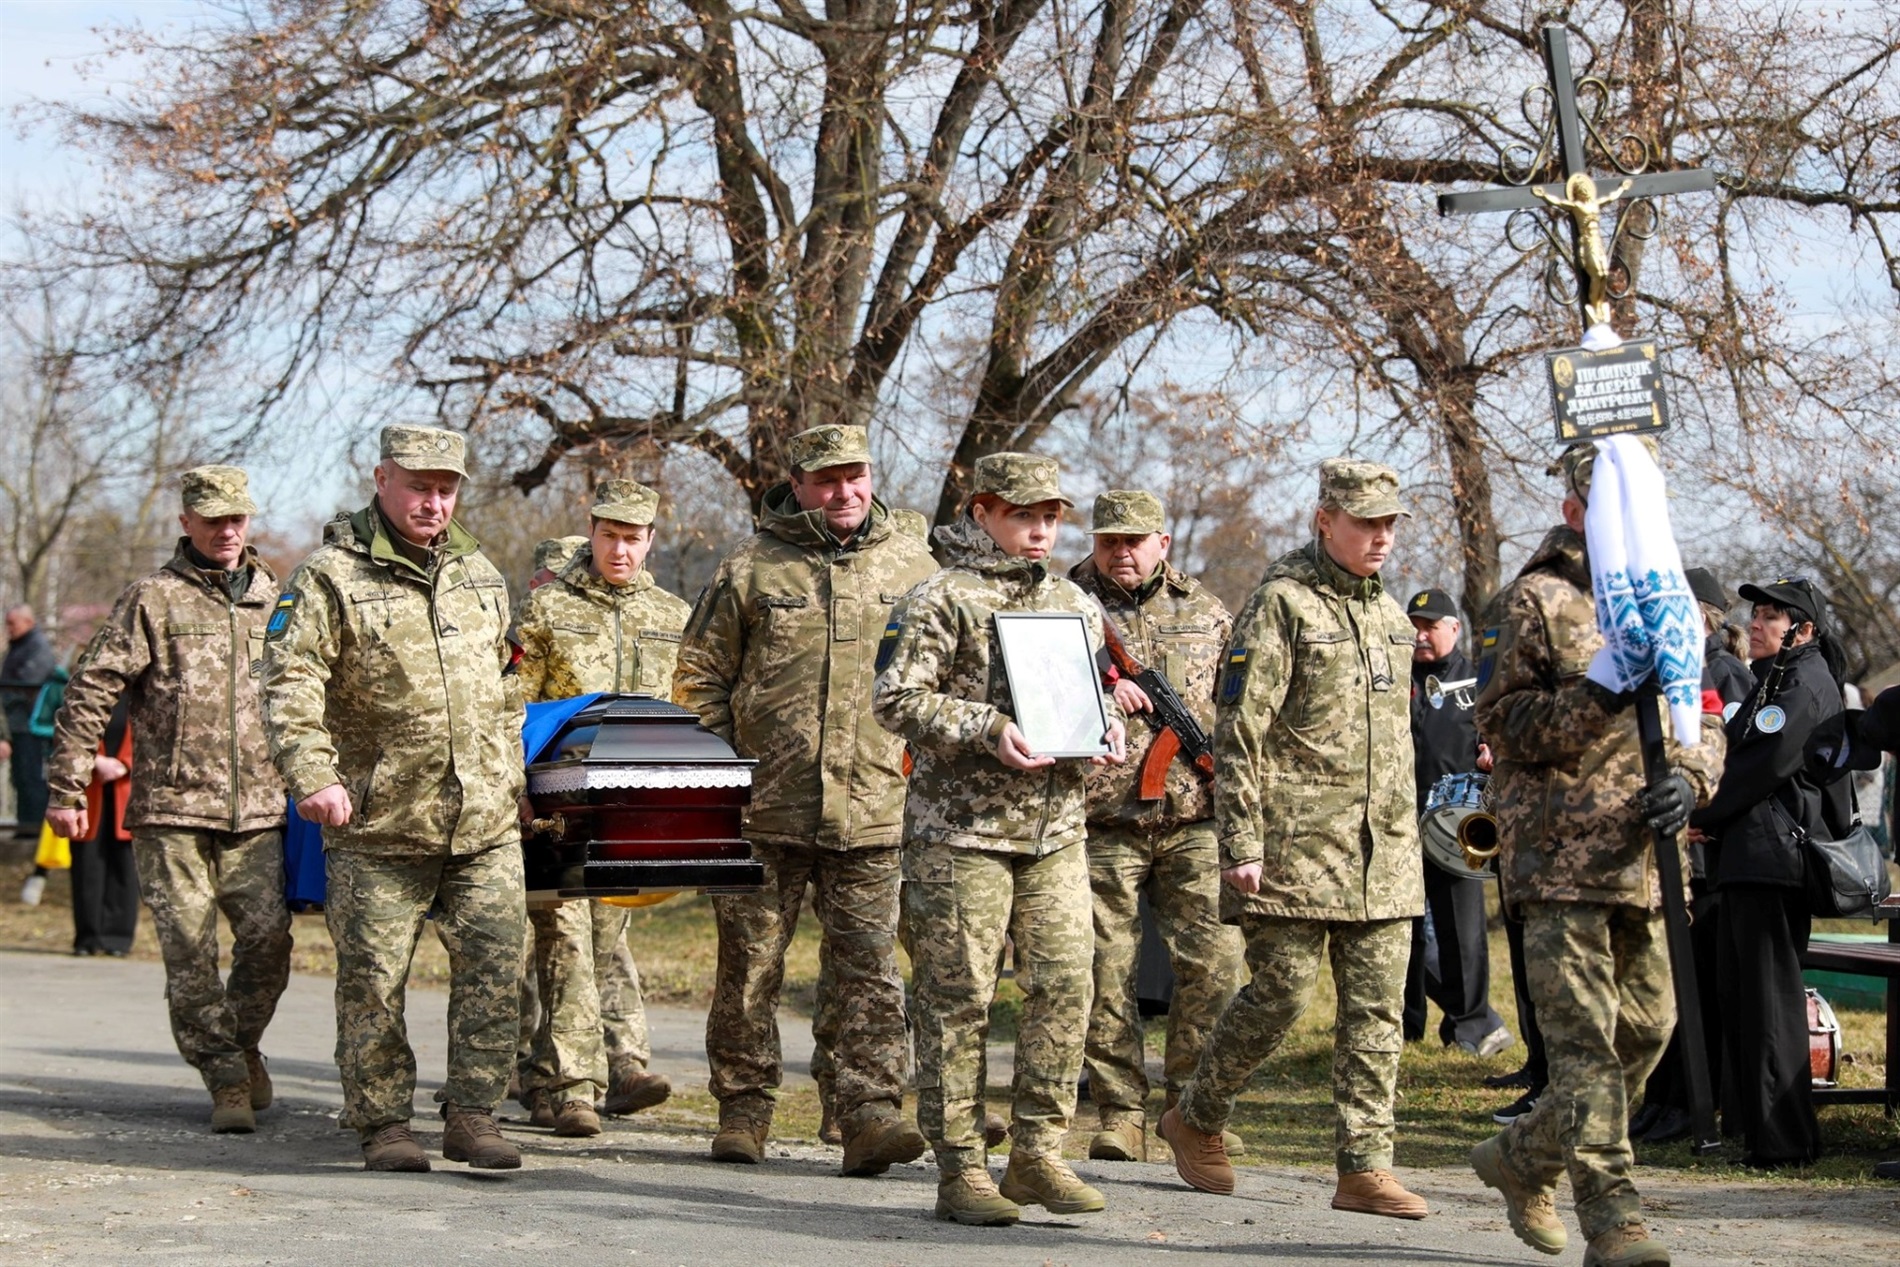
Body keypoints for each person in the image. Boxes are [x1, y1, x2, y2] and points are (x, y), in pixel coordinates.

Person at [1467, 443, 1723, 1267]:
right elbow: (1502, 725)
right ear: (1577, 509)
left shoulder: (1672, 596)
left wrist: (1691, 779)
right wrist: (1600, 690)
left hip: (1647, 863)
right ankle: (1615, 1219)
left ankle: (1520, 1158)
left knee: (1647, 1029)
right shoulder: (1534, 600)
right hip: (1558, 862)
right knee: (1583, 1052)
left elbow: (1706, 714)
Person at [1159, 458, 1431, 1221]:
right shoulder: (1281, 604)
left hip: (1385, 853)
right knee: (1279, 996)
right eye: (1364, 522)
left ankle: (1365, 1166)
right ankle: (1198, 1113)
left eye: (1389, 524)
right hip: (1293, 850)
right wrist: (1240, 840)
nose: (1379, 537)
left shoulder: (1391, 618)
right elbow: (1238, 732)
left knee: (1377, 1012)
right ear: (1325, 520)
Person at [674, 423, 938, 1174]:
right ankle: (744, 1109)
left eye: (855, 475)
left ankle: (868, 1114)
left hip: (879, 808)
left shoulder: (916, 565)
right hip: (765, 813)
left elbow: (947, 676)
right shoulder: (751, 567)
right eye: (826, 479)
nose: (843, 491)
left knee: (870, 971)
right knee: (751, 966)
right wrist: (724, 777)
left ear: (871, 474)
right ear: (797, 482)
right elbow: (698, 681)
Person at [263, 425, 527, 1173]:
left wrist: (514, 781)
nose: (433, 501)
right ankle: (383, 1122)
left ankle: (473, 1113)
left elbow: (508, 689)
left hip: (483, 818)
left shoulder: (480, 575)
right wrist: (313, 771)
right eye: (419, 485)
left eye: (446, 488)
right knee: (374, 980)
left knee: (496, 963)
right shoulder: (328, 577)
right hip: (379, 821)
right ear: (382, 479)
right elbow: (290, 680)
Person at [874, 451, 1127, 1226]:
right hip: (962, 834)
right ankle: (960, 1166)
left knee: (1068, 982)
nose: (1041, 529)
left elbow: (1093, 693)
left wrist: (1108, 725)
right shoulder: (940, 597)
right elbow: (895, 697)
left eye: (1051, 516)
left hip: (1056, 829)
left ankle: (1037, 1150)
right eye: (1024, 514)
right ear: (982, 511)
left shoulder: (1076, 603)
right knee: (959, 997)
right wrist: (988, 726)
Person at [42, 467, 293, 1132]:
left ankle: (239, 1043)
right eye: (212, 518)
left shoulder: (277, 599)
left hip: (261, 810)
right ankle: (225, 1075)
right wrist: (66, 784)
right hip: (171, 808)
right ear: (186, 521)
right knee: (188, 949)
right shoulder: (151, 599)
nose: (226, 530)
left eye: (236, 517)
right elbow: (91, 688)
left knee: (268, 943)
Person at [1068, 489, 1241, 1163]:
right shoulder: (1062, 602)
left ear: (1163, 542)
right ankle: (1118, 1112)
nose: (1121, 551)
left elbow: (1237, 706)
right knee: (1103, 968)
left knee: (1215, 962)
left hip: (1194, 819)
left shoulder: (1206, 611)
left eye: (1135, 539)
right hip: (1099, 817)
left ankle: (1190, 1110)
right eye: (1109, 539)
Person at [512, 480, 689, 1135]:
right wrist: (519, 787)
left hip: (634, 805)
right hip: (561, 798)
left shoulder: (673, 614)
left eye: (633, 536)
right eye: (609, 534)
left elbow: (690, 709)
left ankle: (606, 1068)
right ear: (592, 532)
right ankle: (573, 1084)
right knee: (563, 942)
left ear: (650, 539)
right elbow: (515, 706)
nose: (620, 548)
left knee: (608, 938)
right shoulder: (547, 610)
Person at [1691, 576, 1847, 1168]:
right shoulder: (1773, 679)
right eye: (1754, 613)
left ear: (1802, 630)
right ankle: (1756, 1131)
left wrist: (1703, 811)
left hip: (1774, 862)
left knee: (1771, 1004)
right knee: (1743, 998)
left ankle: (1784, 1143)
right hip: (1748, 856)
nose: (1754, 623)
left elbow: (1766, 766)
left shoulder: (1805, 683)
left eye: (1770, 617)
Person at [1629, 565, 1753, 1145]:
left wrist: (1700, 815)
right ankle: (1664, 1098)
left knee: (1691, 989)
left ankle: (1689, 1102)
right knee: (1675, 987)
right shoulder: (1665, 667)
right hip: (1674, 846)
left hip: (1701, 853)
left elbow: (1719, 758)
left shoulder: (1722, 672)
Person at [1403, 587, 1511, 1057]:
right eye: (1415, 626)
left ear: (1454, 628)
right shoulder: (1397, 678)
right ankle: (1405, 1026)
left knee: (1461, 932)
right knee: (1400, 929)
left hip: (1458, 825)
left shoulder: (1479, 680)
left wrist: (1492, 753)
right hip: (1400, 824)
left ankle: (1469, 1027)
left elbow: (1501, 739)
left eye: (1431, 626)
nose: (1421, 635)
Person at [510, 534, 589, 1108]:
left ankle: (569, 1084)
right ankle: (515, 1070)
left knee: (576, 951)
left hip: (597, 811)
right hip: (535, 805)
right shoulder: (537, 621)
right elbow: (512, 710)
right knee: (510, 949)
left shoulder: (666, 612)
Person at [68, 695, 139, 956]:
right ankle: (87, 937)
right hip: (89, 791)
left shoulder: (141, 693)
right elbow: (66, 734)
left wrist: (125, 765)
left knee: (124, 868)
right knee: (87, 865)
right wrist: (94, 761)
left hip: (127, 789)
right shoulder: (82, 695)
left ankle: (118, 937)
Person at [3, 604, 59, 850]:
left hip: (31, 724)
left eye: (12, 624)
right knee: (21, 778)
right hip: (18, 724)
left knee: (31, 777)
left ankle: (34, 830)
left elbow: (29, 681)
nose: (8, 630)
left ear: (27, 622)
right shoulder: (19, 647)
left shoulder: (37, 647)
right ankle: (25, 826)